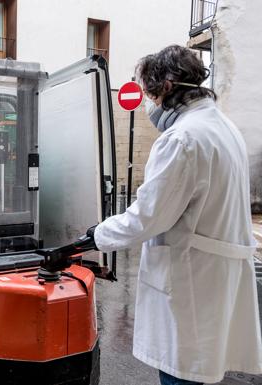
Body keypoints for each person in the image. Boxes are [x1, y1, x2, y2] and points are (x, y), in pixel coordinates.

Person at [85, 45, 262, 384]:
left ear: (167, 87)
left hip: (191, 280)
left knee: (181, 373)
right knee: (199, 370)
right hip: (213, 276)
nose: (152, 104)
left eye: (151, 95)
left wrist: (97, 234)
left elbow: (148, 217)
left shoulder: (182, 139)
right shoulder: (223, 128)